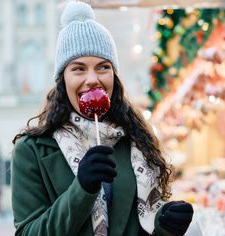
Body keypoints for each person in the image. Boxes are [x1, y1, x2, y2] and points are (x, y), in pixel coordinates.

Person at [11, 1, 193, 235]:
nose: (92, 79)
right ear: (62, 80)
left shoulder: (136, 140)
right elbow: (28, 232)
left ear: (114, 77)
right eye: (78, 69)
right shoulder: (31, 150)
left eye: (103, 67)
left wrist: (166, 228)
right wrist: (82, 190)